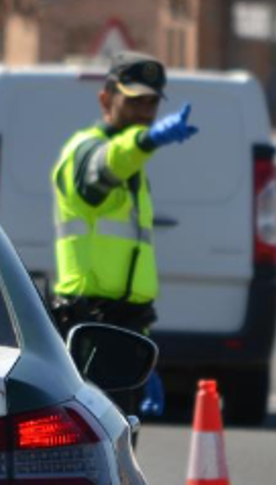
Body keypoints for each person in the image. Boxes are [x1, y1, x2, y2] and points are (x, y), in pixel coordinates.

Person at [50, 51, 199, 416]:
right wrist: (146, 142)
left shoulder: (133, 166)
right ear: (106, 99)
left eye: (151, 103)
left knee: (120, 453)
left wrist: (142, 352)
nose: (144, 112)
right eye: (133, 101)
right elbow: (103, 167)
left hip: (123, 328)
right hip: (90, 329)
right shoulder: (84, 152)